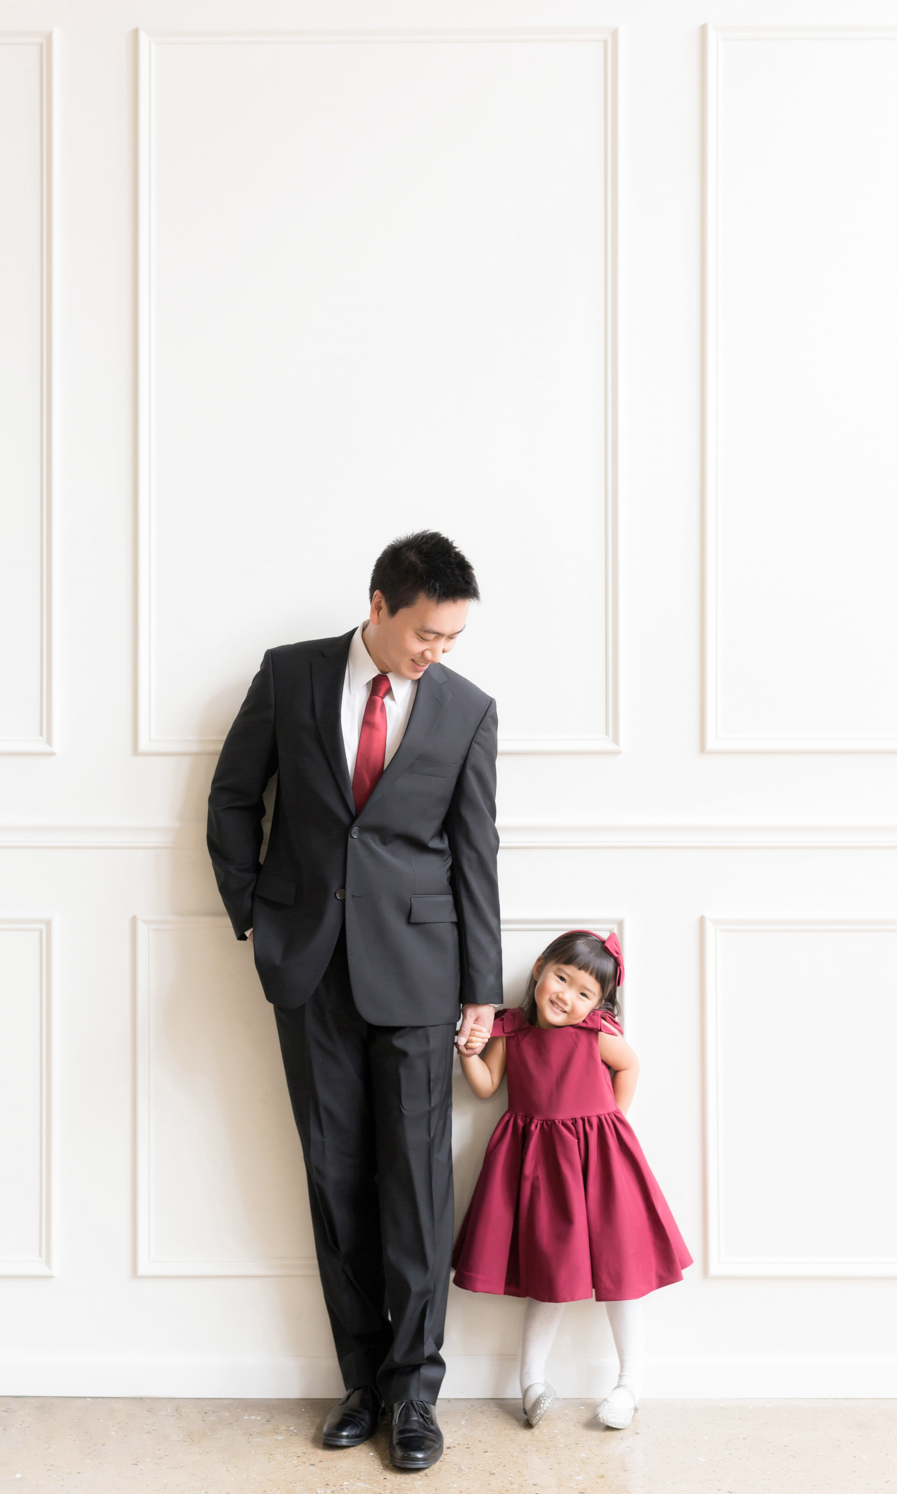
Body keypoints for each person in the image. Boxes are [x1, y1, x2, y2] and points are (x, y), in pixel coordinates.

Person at [207, 531, 501, 1472]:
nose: (437, 652)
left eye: (452, 639)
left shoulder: (466, 711)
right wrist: (254, 914)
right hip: (309, 967)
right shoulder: (289, 676)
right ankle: (362, 1379)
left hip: (418, 978)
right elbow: (232, 797)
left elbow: (476, 856)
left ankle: (415, 1397)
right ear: (378, 605)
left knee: (415, 1190)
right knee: (335, 1182)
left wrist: (479, 993)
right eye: (426, 634)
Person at [452, 929, 691, 1429]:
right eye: (562, 978)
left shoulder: (596, 1034)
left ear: (599, 1003)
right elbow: (485, 1088)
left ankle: (629, 1384)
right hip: (539, 1165)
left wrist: (611, 1124)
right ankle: (532, 1383)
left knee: (621, 1273)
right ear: (540, 967)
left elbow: (629, 1065)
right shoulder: (510, 1030)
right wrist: (468, 1052)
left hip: (601, 1161)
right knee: (548, 1272)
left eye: (585, 993)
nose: (567, 996)